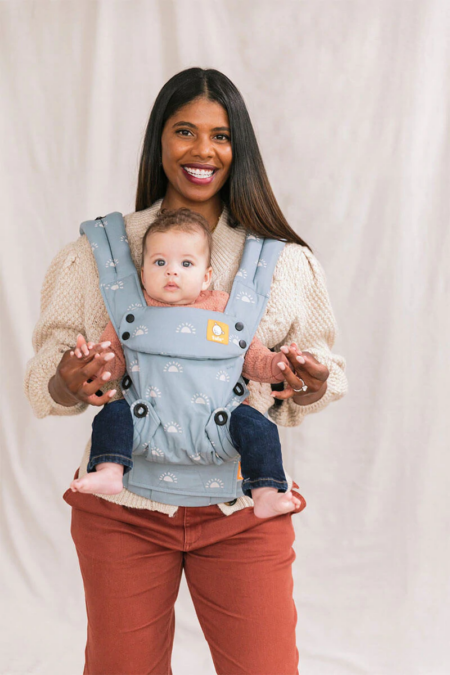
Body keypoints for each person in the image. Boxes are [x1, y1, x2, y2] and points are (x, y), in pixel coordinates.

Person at [25, 67, 347, 674]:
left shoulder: (282, 264)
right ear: (159, 141)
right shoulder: (99, 253)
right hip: (122, 512)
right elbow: (48, 373)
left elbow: (316, 378)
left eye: (221, 136)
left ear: (239, 148)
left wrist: (308, 380)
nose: (203, 150)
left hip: (245, 512)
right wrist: (69, 379)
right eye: (184, 131)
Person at [70, 207, 304, 519]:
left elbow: (252, 358)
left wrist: (279, 365)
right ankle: (110, 470)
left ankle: (265, 491)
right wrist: (96, 362)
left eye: (186, 263)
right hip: (146, 421)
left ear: (206, 277)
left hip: (220, 425)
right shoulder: (132, 309)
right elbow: (114, 365)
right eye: (159, 262)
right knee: (113, 414)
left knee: (258, 427)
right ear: (142, 273)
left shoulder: (222, 309)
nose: (172, 271)